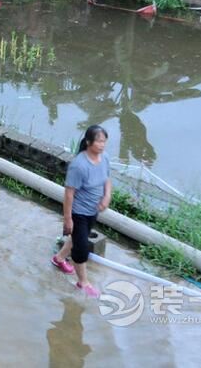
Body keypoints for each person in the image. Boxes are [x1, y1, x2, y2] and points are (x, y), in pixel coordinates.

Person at [51, 125, 112, 298]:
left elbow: (107, 179)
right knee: (81, 248)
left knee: (80, 237)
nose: (102, 145)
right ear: (88, 142)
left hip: (94, 209)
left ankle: (59, 258)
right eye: (99, 141)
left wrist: (106, 196)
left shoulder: (104, 158)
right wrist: (68, 218)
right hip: (79, 212)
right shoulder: (79, 165)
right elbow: (69, 194)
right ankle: (83, 282)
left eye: (104, 141)